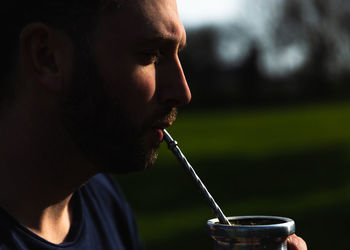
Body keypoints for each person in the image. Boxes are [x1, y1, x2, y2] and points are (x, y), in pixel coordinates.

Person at [0, 0, 307, 249]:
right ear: (47, 56)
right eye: (150, 55)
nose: (182, 92)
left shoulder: (103, 201)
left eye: (177, 54)